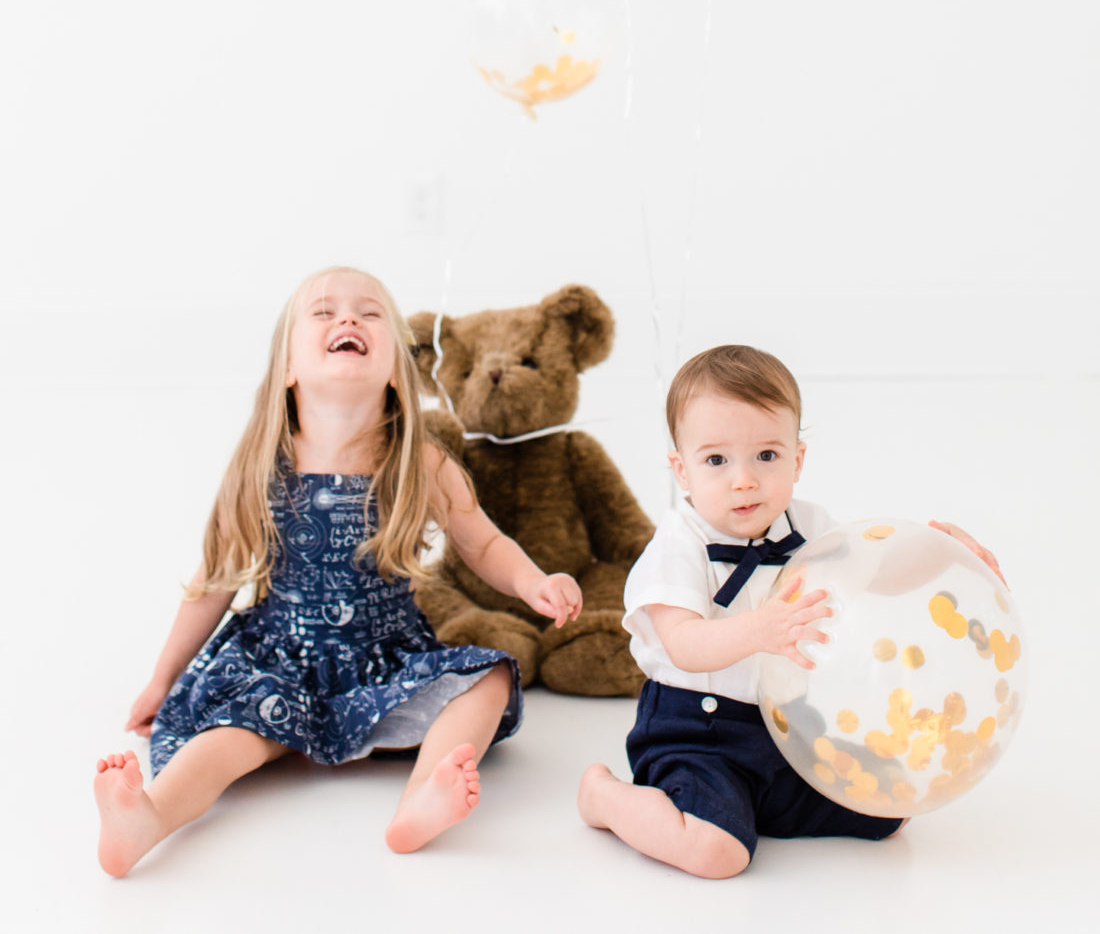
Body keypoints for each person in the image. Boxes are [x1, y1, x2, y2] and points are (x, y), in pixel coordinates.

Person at [94, 266, 583, 876]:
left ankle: (424, 797)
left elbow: (483, 542)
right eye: (324, 312)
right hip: (278, 664)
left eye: (370, 313)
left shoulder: (420, 462)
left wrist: (534, 581)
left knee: (490, 680)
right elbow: (214, 581)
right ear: (289, 369)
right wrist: (162, 678)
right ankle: (148, 817)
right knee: (225, 743)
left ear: (398, 375)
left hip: (384, 662)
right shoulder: (260, 467)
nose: (348, 318)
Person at [577, 343, 1004, 878]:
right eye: (716, 460)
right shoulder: (677, 546)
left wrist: (946, 558)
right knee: (719, 854)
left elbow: (873, 578)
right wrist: (759, 629)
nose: (744, 479)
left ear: (796, 460)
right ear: (681, 470)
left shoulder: (810, 525)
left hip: (790, 726)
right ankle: (606, 799)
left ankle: (751, 803)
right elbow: (682, 645)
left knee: (887, 810)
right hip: (697, 730)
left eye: (766, 456)